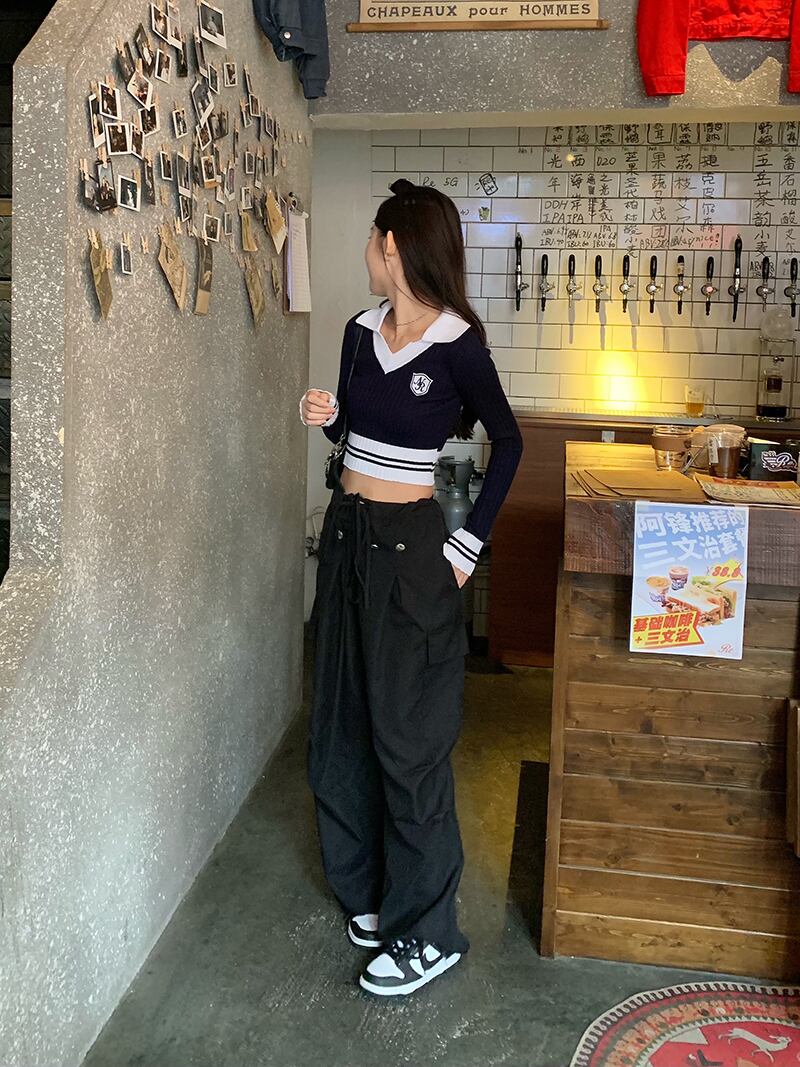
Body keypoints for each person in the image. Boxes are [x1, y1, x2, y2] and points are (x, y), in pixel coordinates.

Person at [298, 178, 523, 997]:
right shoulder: (360, 332)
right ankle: (369, 892)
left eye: (372, 237)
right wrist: (329, 415)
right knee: (340, 724)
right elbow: (358, 434)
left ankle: (430, 932)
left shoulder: (459, 344)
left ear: (392, 245)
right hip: (347, 537)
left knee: (410, 738)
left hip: (412, 551)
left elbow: (509, 442)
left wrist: (466, 545)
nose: (366, 249)